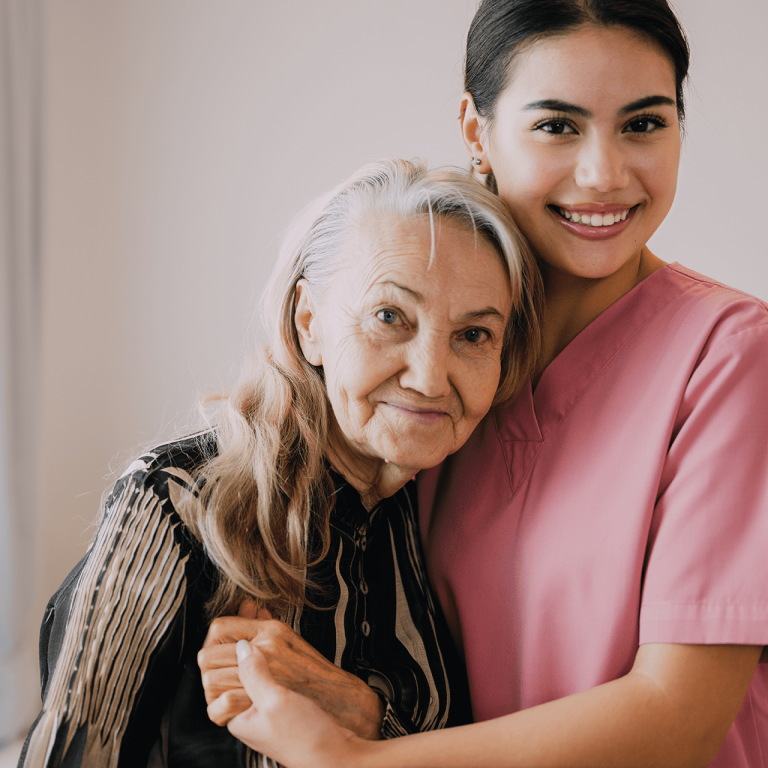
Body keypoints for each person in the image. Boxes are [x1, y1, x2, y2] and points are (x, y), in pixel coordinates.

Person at [205, 2, 768, 766]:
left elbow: (679, 717)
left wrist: (356, 762)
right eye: (557, 125)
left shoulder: (732, 354)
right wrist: (364, 711)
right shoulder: (433, 369)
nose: (604, 173)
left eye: (643, 124)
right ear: (477, 130)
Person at [18, 158, 541, 767]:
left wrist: (364, 716)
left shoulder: (443, 518)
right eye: (389, 317)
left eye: (473, 335)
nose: (429, 377)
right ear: (309, 322)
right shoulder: (175, 502)